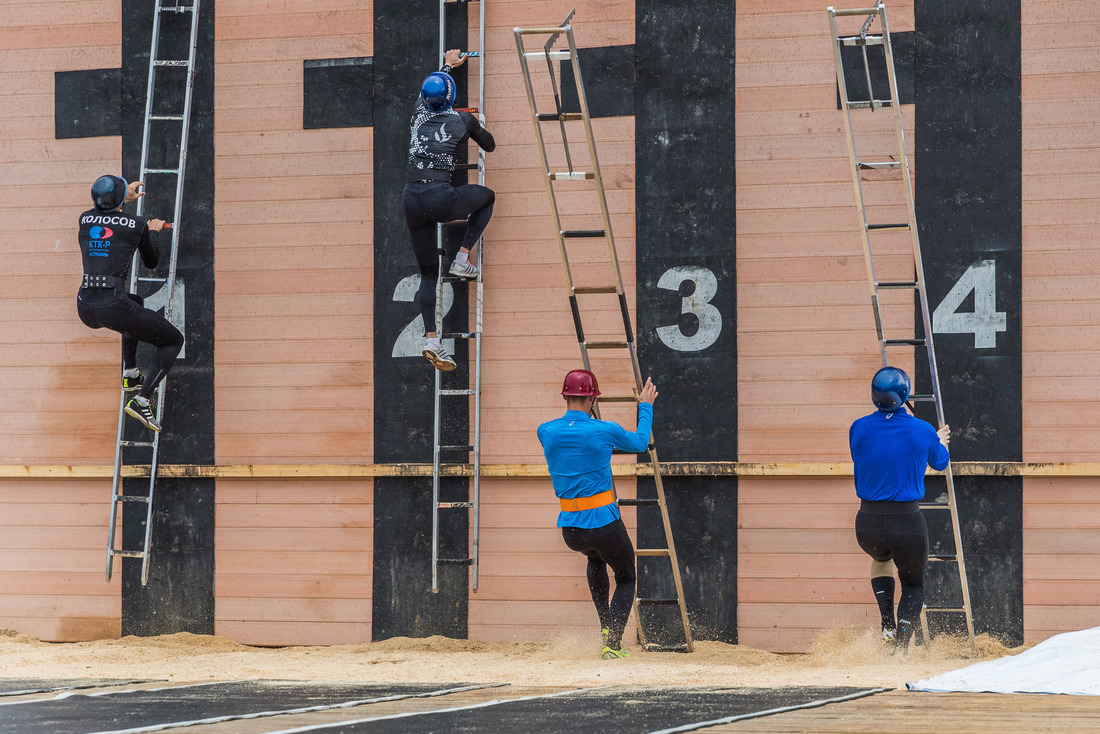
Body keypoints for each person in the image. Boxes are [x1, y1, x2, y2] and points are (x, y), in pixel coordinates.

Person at [537, 369, 657, 660]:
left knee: (595, 558)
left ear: (565, 395)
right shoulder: (604, 430)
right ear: (592, 398)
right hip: (603, 523)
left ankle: (606, 628)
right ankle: (613, 645)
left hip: (571, 530)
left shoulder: (545, 431)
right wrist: (646, 406)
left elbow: (573, 447)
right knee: (627, 576)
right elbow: (641, 443)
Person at [404, 48, 496, 372]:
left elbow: (428, 90)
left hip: (411, 199)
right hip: (439, 197)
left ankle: (432, 340)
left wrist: (447, 65)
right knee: (487, 197)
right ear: (451, 98)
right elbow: (490, 145)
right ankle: (462, 257)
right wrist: (475, 125)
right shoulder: (462, 119)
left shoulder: (418, 111)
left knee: (429, 274)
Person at [849, 366, 950, 654]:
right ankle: (902, 650)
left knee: (881, 561)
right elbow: (940, 463)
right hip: (906, 521)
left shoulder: (858, 427)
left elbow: (873, 451)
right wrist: (938, 440)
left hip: (867, 523)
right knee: (913, 584)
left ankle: (887, 626)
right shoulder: (922, 430)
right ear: (905, 395)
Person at [77, 175, 184, 433]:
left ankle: (131, 373)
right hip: (112, 305)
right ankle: (142, 399)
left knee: (134, 300)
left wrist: (120, 199)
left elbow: (104, 214)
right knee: (173, 340)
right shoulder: (136, 224)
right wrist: (153, 231)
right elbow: (151, 261)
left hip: (85, 306)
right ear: (121, 200)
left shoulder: (84, 218)